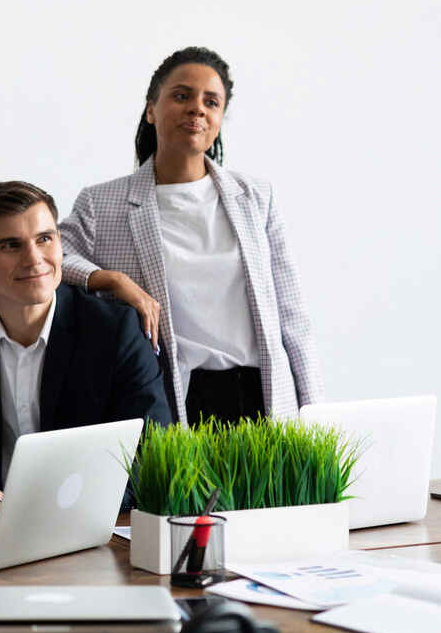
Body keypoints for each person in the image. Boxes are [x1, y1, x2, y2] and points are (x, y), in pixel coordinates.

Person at [59, 46, 323, 425]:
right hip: (175, 397)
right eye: (182, 96)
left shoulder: (255, 197)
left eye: (211, 102)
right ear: (151, 109)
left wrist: (317, 414)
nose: (197, 108)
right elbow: (53, 258)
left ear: (219, 118)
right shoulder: (103, 203)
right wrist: (113, 281)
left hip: (263, 398)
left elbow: (292, 316)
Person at [0, 181, 173, 509]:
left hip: (87, 524)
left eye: (45, 239)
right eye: (11, 245)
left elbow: (151, 453)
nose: (34, 259)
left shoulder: (114, 331)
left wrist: (63, 505)